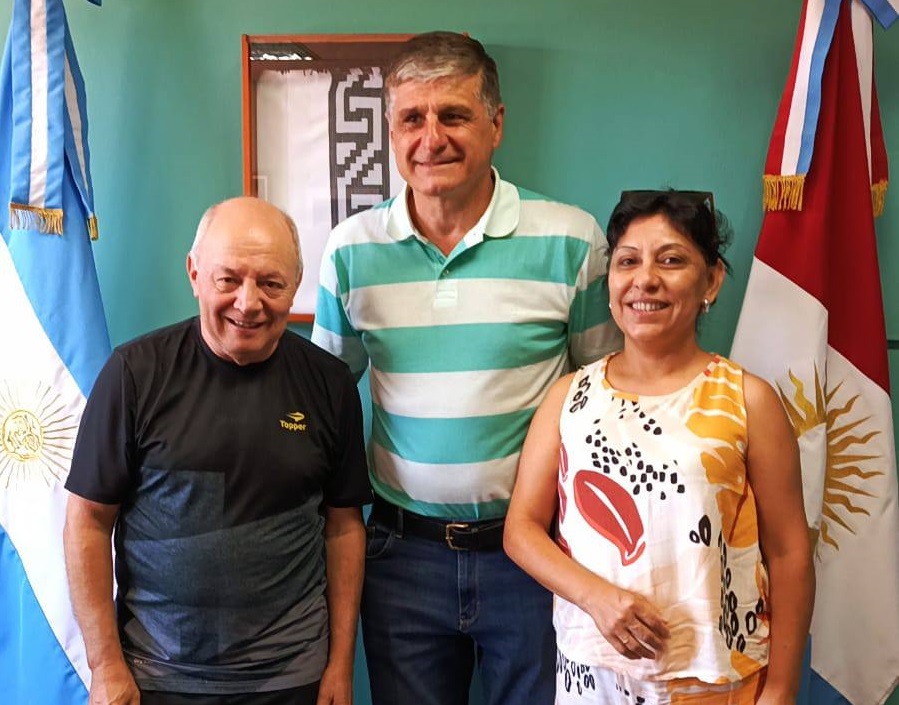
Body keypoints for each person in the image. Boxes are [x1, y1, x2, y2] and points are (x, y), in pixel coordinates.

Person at [311, 31, 620, 705]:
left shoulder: (571, 239)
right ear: (390, 129)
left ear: (495, 123)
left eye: (453, 115)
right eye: (411, 119)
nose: (431, 139)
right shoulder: (350, 250)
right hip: (401, 557)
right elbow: (321, 401)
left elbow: (609, 405)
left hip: (535, 555)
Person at [505, 189, 814, 705]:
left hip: (719, 679)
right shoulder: (568, 396)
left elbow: (790, 553)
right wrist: (596, 598)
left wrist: (781, 687)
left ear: (711, 281)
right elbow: (521, 530)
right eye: (628, 261)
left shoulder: (747, 400)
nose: (645, 279)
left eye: (671, 260)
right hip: (593, 678)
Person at [63, 196, 370, 705]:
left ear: (296, 283)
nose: (248, 303)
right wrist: (105, 665)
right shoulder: (133, 375)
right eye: (228, 279)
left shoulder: (331, 385)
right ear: (195, 274)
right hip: (156, 677)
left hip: (292, 678)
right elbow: (88, 522)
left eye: (271, 283)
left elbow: (343, 528)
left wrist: (340, 666)